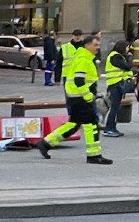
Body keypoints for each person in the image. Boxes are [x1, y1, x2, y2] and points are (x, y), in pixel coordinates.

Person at [37, 32, 112, 164]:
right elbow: (79, 80)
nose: (97, 47)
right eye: (95, 45)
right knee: (91, 124)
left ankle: (46, 143)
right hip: (81, 98)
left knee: (73, 124)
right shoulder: (84, 59)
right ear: (87, 45)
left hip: (75, 97)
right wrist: (88, 96)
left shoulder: (85, 57)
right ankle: (94, 155)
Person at [102, 39, 133, 137]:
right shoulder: (115, 56)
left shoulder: (117, 56)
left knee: (115, 107)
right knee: (114, 107)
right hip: (115, 84)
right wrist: (129, 57)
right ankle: (109, 128)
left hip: (116, 84)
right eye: (127, 47)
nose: (128, 49)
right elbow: (127, 67)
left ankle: (112, 127)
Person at [54, 29, 83, 93]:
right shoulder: (65, 47)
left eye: (79, 35)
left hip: (82, 75)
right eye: (76, 35)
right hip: (68, 76)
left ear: (82, 36)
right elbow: (58, 64)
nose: (77, 37)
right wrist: (57, 79)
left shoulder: (85, 47)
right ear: (72, 36)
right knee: (69, 96)